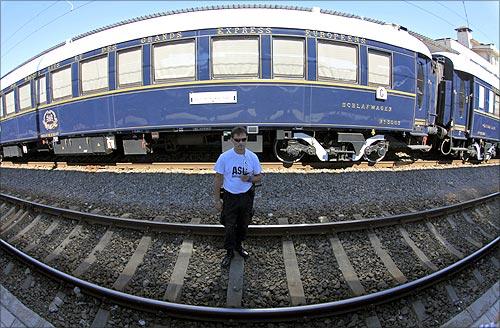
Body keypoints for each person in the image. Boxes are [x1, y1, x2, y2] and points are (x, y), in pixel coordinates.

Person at [214, 126, 262, 267]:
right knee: (229, 226)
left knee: (243, 224)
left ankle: (239, 246)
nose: (240, 143)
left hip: (246, 197)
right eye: (237, 140)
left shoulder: (252, 157)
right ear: (231, 140)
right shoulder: (224, 157)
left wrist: (248, 179)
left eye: (243, 139)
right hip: (230, 197)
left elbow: (259, 177)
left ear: (246, 139)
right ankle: (229, 252)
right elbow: (218, 179)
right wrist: (217, 199)